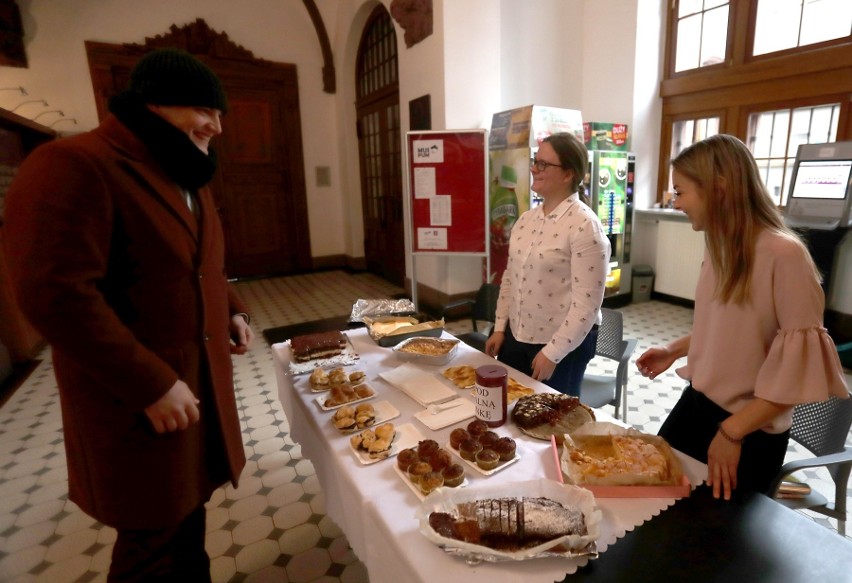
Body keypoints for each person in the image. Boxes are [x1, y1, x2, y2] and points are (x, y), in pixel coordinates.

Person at [4, 48, 254, 581]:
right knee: (151, 544)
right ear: (154, 104)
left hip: (195, 384)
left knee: (186, 523)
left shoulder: (184, 171)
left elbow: (198, 263)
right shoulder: (74, 164)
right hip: (139, 401)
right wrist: (149, 384)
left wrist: (231, 309)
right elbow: (54, 293)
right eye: (204, 109)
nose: (216, 125)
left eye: (220, 113)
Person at [636, 134, 848, 501]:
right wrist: (675, 349)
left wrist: (733, 431)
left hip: (749, 429)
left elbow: (796, 376)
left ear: (718, 188)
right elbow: (730, 329)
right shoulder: (721, 246)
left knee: (718, 544)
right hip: (697, 406)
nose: (676, 202)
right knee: (656, 510)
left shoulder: (785, 255)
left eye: (681, 191)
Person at [485, 132, 611, 395]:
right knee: (511, 410)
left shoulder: (585, 226)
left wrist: (553, 353)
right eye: (535, 161)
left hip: (561, 344)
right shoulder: (526, 220)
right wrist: (500, 329)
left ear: (568, 174)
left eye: (543, 164)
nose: (534, 168)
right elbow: (510, 279)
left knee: (552, 424)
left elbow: (587, 305)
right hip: (517, 335)